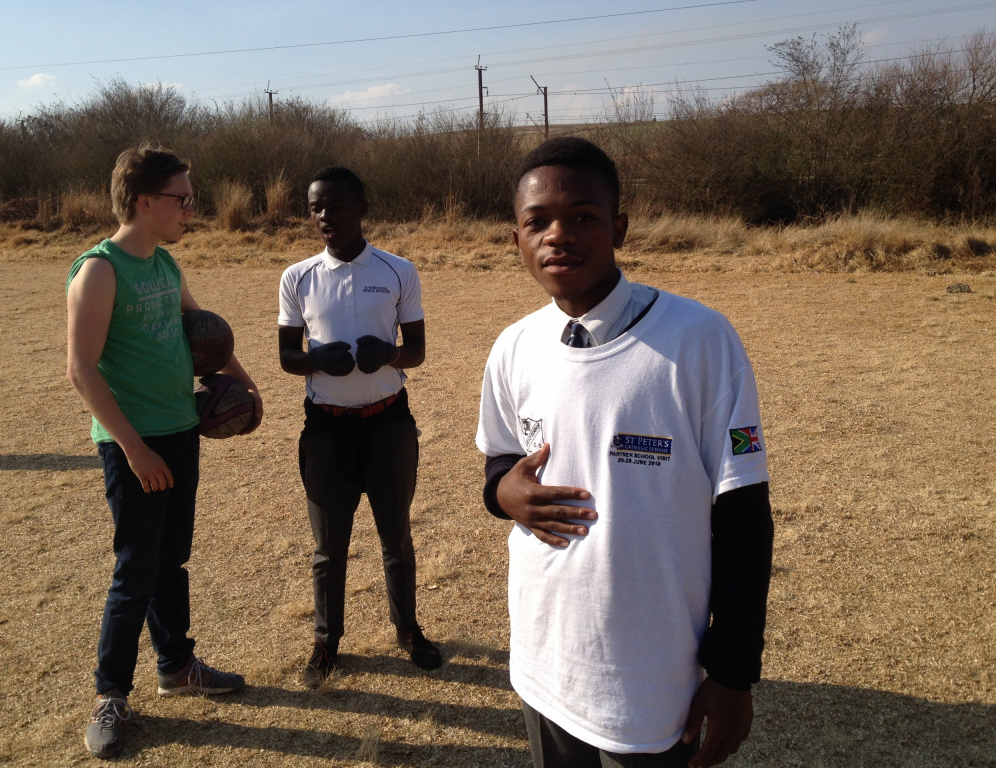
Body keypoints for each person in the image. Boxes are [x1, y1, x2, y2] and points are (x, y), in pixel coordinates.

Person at [475, 137, 774, 768]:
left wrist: (734, 671)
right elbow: (500, 461)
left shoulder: (698, 339)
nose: (559, 235)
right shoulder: (514, 347)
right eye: (537, 222)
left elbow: (745, 514)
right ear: (516, 241)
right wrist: (503, 493)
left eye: (583, 216)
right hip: (544, 662)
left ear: (619, 227)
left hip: (652, 682)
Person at [66, 144, 263, 760]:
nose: (191, 208)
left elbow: (201, 329)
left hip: (181, 432)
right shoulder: (99, 270)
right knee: (134, 572)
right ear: (145, 200)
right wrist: (133, 449)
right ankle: (110, 696)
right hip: (136, 445)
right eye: (182, 197)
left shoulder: (166, 265)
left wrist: (243, 380)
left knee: (170, 561)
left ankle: (177, 667)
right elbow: (81, 369)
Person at [277, 165, 442, 687]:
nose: (325, 216)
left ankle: (408, 630)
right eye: (315, 207)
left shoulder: (398, 271)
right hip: (325, 429)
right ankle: (327, 641)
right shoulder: (297, 277)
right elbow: (286, 356)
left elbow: (416, 350)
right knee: (329, 546)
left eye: (336, 205)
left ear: (362, 207)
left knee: (396, 535)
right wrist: (315, 360)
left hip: (388, 424)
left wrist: (390, 354)